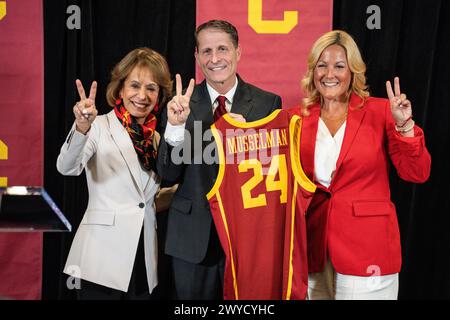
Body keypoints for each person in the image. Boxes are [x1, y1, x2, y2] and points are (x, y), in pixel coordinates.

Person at [298, 30, 431, 300]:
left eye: (339, 66)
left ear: (353, 71)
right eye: (321, 65)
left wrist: (404, 126)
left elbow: (416, 172)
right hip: (313, 251)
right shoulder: (295, 119)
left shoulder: (382, 111)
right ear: (313, 71)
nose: (329, 74)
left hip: (369, 251)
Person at [157, 19, 282, 299]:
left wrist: (245, 141)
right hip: (191, 238)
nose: (215, 59)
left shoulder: (268, 104)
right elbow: (168, 173)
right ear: (197, 57)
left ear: (238, 52)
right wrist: (176, 127)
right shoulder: (180, 105)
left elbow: (272, 175)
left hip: (246, 238)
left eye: (223, 49)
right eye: (206, 51)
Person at [56, 47, 172, 300]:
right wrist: (81, 127)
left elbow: (144, 202)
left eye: (152, 88)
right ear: (120, 89)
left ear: (159, 95)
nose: (143, 95)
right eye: (135, 86)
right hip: (101, 258)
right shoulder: (97, 126)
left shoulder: (156, 139)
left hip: (143, 258)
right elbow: (67, 167)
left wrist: (181, 194)